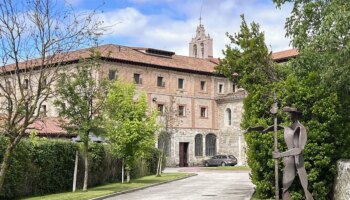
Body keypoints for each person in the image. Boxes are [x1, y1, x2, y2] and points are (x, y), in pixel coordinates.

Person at [246, 107, 313, 200]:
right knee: (285, 188)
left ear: (297, 115)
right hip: (290, 161)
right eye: (290, 113)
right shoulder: (288, 128)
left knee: (305, 189)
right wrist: (252, 129)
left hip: (298, 162)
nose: (290, 115)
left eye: (292, 113)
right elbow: (267, 129)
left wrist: (280, 155)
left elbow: (299, 150)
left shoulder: (301, 128)